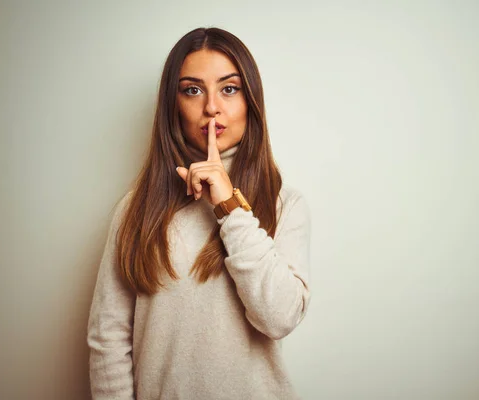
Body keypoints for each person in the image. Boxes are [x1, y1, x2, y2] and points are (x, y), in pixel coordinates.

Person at [87, 27, 312, 400]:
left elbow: (280, 317)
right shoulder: (137, 209)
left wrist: (229, 207)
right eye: (193, 89)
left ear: (250, 99)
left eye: (229, 88)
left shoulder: (284, 203)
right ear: (173, 104)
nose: (211, 106)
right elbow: (108, 337)